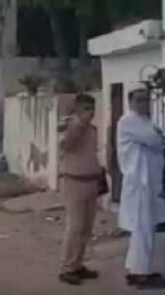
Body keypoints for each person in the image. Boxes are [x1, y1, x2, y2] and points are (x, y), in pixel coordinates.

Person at [116, 85, 165, 290]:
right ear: (130, 102)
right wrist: (160, 138)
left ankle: (135, 268)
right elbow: (156, 140)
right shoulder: (128, 120)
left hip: (148, 182)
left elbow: (164, 139)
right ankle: (142, 273)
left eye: (146, 100)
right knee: (143, 228)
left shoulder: (145, 121)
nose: (143, 103)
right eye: (139, 100)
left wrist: (161, 138)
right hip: (139, 183)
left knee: (144, 228)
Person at [57, 94, 104, 285]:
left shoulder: (92, 130)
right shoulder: (69, 126)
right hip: (74, 182)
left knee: (86, 228)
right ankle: (67, 267)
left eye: (92, 108)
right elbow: (66, 146)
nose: (90, 113)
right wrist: (78, 125)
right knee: (75, 227)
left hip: (90, 181)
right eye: (85, 108)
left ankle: (78, 264)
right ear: (77, 110)